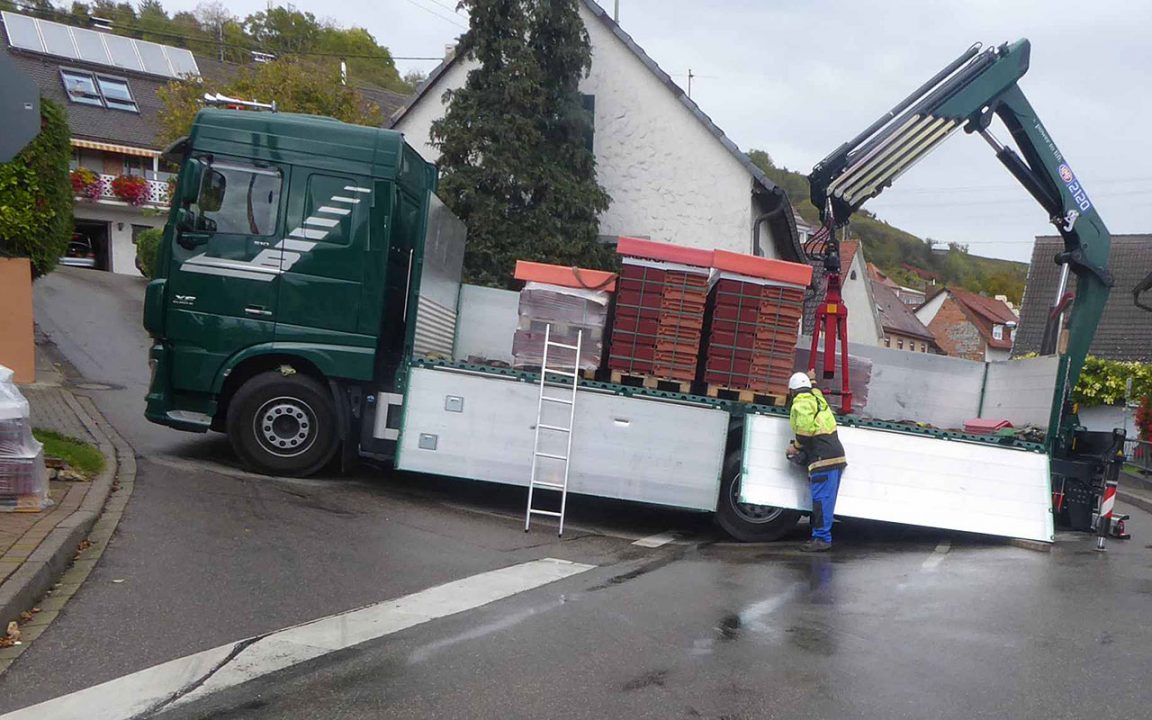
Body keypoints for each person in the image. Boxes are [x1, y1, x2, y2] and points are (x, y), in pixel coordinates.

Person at [786, 371, 847, 552]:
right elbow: (816, 389)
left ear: (792, 391)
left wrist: (795, 448)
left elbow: (804, 433)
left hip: (823, 458)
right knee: (826, 501)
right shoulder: (816, 397)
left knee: (820, 500)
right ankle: (821, 536)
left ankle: (821, 539)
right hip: (835, 455)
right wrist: (812, 378)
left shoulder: (802, 402)